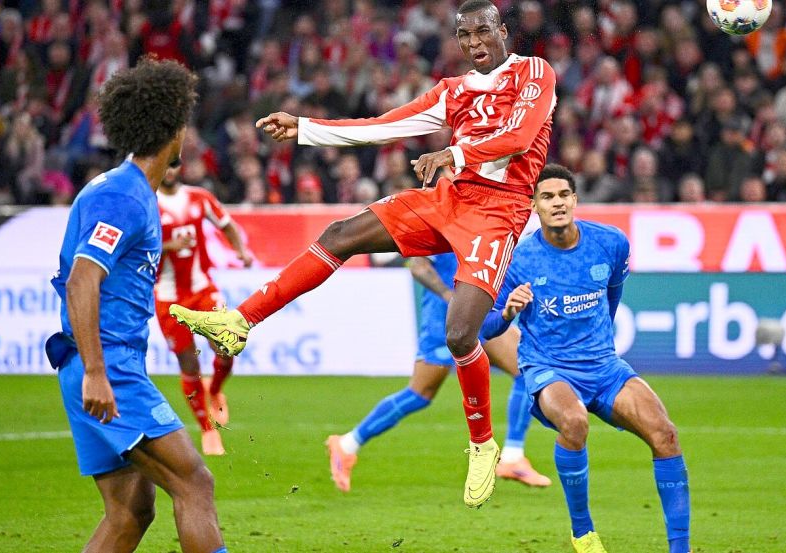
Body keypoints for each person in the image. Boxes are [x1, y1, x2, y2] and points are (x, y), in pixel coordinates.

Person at [171, 0, 556, 509]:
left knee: (460, 333)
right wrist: (306, 129)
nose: (473, 43)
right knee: (340, 234)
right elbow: (384, 125)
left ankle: (483, 444)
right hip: (449, 199)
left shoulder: (534, 72)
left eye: (482, 31)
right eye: (464, 36)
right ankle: (240, 321)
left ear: (501, 30)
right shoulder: (454, 91)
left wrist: (454, 153)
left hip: (497, 212)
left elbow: (521, 135)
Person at [46, 58, 227, 553]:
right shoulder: (125, 197)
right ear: (174, 127)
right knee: (194, 482)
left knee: (130, 512)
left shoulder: (128, 190)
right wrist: (98, 372)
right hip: (107, 366)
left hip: (93, 361)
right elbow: (84, 279)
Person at [481, 165, 690, 553]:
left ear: (575, 200)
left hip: (605, 368)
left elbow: (612, 296)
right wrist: (508, 313)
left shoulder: (611, 244)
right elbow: (485, 328)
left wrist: (602, 348)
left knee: (666, 435)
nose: (557, 203)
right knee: (574, 422)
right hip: (549, 368)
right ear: (534, 205)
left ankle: (681, 549)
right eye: (547, 197)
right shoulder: (519, 259)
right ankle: (583, 532)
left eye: (563, 195)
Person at [326, 252, 552, 492]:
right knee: (419, 394)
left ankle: (512, 457)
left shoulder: (490, 225)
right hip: (445, 320)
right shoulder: (447, 222)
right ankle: (348, 444)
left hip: (479, 314)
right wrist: (451, 297)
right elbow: (418, 266)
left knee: (526, 370)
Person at [155, 167, 254, 456]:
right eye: (166, 165)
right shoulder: (149, 204)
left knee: (226, 345)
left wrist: (239, 250)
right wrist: (169, 245)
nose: (170, 170)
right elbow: (136, 247)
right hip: (168, 297)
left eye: (175, 165)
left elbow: (226, 224)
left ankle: (215, 390)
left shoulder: (200, 198)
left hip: (202, 288)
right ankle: (208, 429)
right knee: (189, 365)